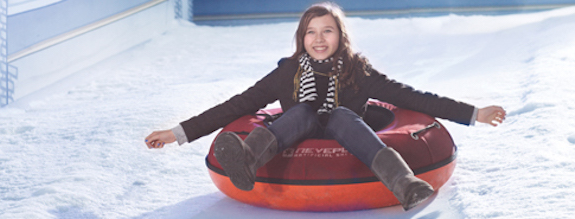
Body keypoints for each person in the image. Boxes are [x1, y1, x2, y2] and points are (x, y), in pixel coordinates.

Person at [145, 2, 506, 211]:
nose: (319, 39)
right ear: (302, 38)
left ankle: (404, 183)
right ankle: (246, 160)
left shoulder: (357, 70)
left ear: (340, 36)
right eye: (311, 31)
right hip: (292, 132)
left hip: (347, 131)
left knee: (341, 114)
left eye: (327, 30)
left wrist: (474, 113)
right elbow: (239, 104)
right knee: (300, 111)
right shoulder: (287, 72)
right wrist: (178, 133)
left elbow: (411, 98)